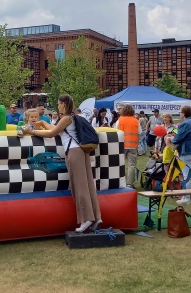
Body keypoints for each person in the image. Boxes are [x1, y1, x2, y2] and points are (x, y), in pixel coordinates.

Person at [25, 95, 102, 232]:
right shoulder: (71, 117)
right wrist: (42, 124)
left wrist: (31, 131)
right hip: (82, 152)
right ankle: (96, 216)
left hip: (73, 152)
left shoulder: (66, 118)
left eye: (59, 103)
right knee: (88, 185)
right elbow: (56, 129)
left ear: (64, 104)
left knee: (79, 186)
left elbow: (52, 133)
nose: (57, 105)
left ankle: (86, 219)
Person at [116, 104, 141, 188]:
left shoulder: (120, 120)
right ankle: (130, 184)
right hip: (133, 146)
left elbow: (115, 132)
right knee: (132, 166)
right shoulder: (136, 121)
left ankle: (120, 182)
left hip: (121, 145)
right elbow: (139, 132)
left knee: (120, 164)